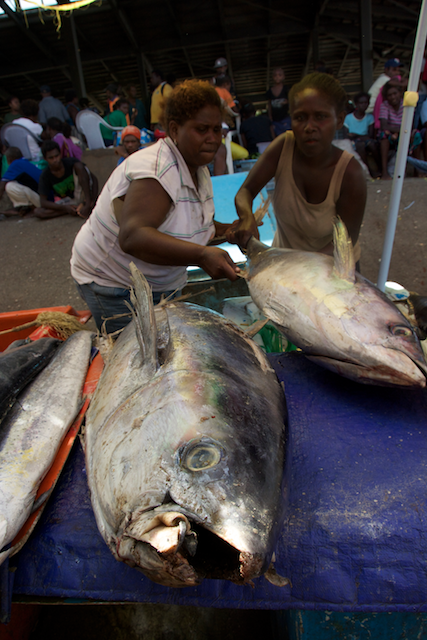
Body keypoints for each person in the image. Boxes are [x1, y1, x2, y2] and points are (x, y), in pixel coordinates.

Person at [70, 79, 240, 333]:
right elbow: (133, 236)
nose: (212, 138)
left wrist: (231, 232)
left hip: (156, 286)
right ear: (174, 128)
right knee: (139, 361)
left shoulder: (196, 167)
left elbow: (188, 224)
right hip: (114, 285)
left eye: (216, 130)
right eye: (202, 129)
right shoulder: (158, 171)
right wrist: (201, 255)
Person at [230, 72, 366, 268]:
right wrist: (246, 217)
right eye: (300, 117)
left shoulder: (351, 174)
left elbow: (344, 244)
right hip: (286, 268)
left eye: (321, 117)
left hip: (332, 272)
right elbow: (245, 192)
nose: (309, 127)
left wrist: (294, 267)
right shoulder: (283, 147)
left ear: (339, 119)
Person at [35, 140, 98, 219]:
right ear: (45, 159)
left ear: (60, 154)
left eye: (56, 156)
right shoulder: (45, 175)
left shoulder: (71, 162)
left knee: (80, 166)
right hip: (68, 201)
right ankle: (75, 209)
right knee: (38, 212)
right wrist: (65, 208)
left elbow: (94, 179)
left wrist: (89, 202)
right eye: (51, 158)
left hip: (83, 195)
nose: (55, 160)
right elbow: (43, 202)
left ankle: (86, 205)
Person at [343, 92, 380, 177]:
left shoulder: (369, 117)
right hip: (354, 142)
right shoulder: (348, 118)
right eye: (361, 103)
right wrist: (359, 137)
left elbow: (370, 135)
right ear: (356, 104)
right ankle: (369, 170)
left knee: (373, 145)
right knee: (360, 145)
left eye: (366, 103)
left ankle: (379, 168)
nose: (364, 105)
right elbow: (346, 136)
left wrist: (355, 135)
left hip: (365, 140)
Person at [0, 147, 41, 215]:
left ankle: (33, 209)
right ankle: (25, 208)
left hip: (42, 200)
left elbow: (2, 186)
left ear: (9, 159)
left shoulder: (15, 164)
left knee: (10, 186)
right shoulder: (26, 162)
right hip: (45, 198)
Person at [13, 99, 43, 166]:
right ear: (36, 112)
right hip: (34, 161)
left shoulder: (14, 123)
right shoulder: (37, 127)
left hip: (17, 160)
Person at [266, 67, 291, 136]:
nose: (277, 77)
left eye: (280, 75)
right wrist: (270, 117)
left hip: (286, 118)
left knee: (288, 138)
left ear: (283, 77)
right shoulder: (270, 92)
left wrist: (287, 102)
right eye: (275, 75)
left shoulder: (286, 89)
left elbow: (292, 102)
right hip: (275, 120)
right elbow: (269, 105)